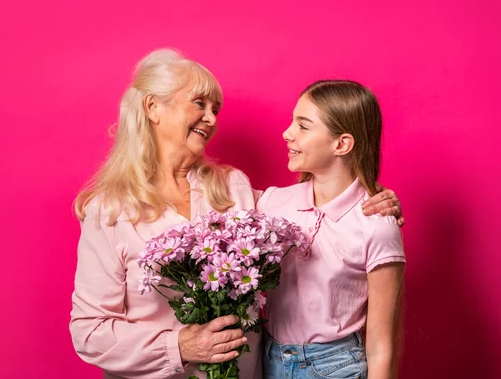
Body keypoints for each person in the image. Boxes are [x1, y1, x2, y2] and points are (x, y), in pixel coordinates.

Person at [69, 50, 402, 378]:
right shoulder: (109, 211)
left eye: (216, 109)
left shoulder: (233, 187)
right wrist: (179, 346)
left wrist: (375, 202)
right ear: (153, 107)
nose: (212, 119)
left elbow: (321, 208)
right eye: (199, 104)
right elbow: (89, 333)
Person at [259, 80, 406, 379]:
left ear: (341, 144)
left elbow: (381, 345)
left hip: (336, 367)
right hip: (268, 360)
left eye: (303, 126)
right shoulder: (272, 202)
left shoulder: (377, 224)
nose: (287, 133)